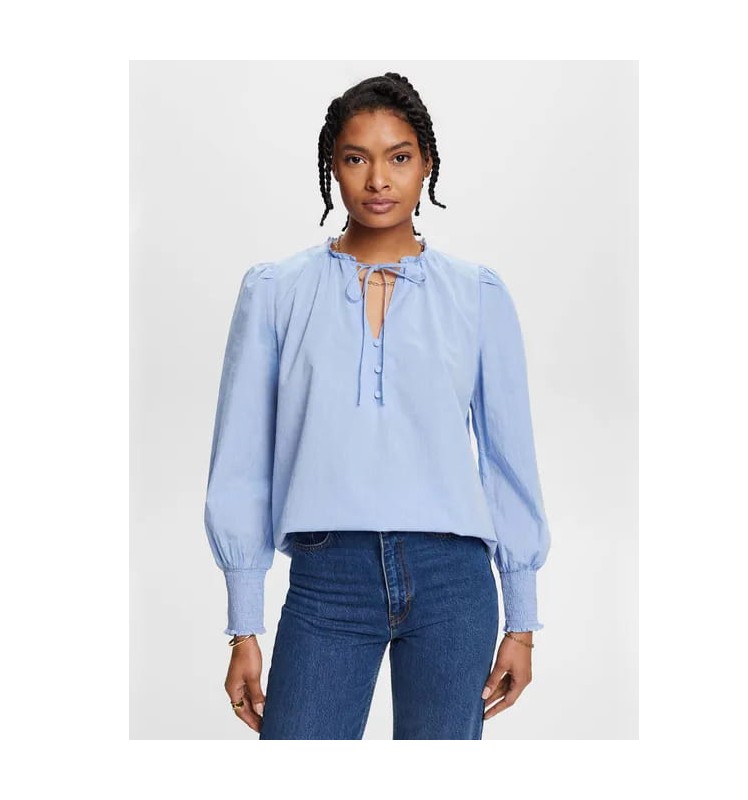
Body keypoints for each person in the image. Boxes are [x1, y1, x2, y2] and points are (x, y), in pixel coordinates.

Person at [203, 72, 552, 739]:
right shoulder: (276, 292)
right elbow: (240, 461)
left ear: (427, 165)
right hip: (327, 577)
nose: (378, 179)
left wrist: (522, 620)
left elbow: (510, 461)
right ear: (332, 167)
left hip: (454, 580)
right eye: (356, 158)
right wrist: (243, 625)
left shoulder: (476, 294)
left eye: (399, 157)